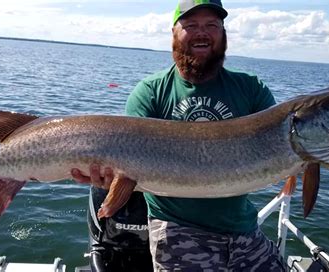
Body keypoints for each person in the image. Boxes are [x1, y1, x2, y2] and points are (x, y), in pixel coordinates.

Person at [72, 0, 286, 270]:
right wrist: (110, 179)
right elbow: (126, 162)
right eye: (191, 25)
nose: (202, 32)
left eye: (212, 25)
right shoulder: (150, 92)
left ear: (223, 33)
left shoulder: (251, 88)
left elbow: (281, 140)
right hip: (178, 231)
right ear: (174, 33)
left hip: (244, 228)